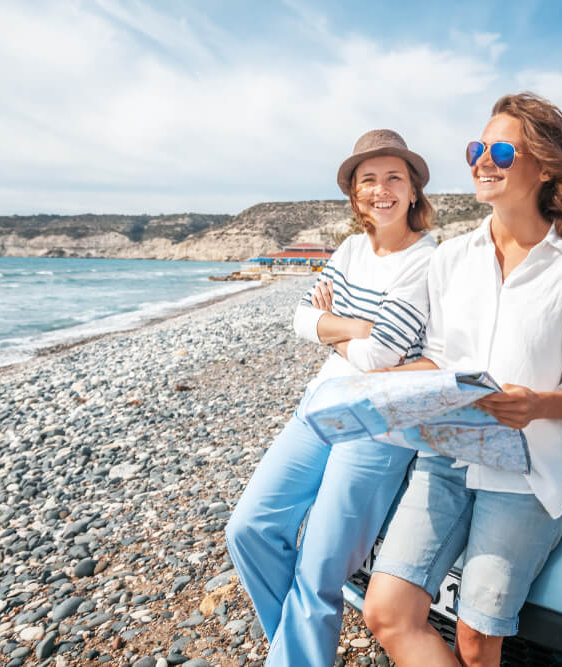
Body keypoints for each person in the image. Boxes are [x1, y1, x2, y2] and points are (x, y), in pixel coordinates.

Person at [362, 93, 562, 667]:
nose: (483, 160)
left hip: (528, 473)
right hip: (446, 456)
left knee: (479, 644)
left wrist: (536, 405)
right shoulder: (450, 259)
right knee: (386, 611)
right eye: (477, 148)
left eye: (501, 150)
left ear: (546, 165)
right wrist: (384, 387)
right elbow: (437, 356)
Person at [225, 129, 438, 666]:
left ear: (414, 190)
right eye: (369, 180)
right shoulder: (349, 248)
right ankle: (294, 654)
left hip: (379, 423)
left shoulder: (426, 260)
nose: (381, 190)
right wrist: (355, 327)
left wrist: (335, 325)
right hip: (319, 405)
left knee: (319, 570)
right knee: (249, 527)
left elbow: (382, 356)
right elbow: (299, 319)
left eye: (395, 177)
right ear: (355, 194)